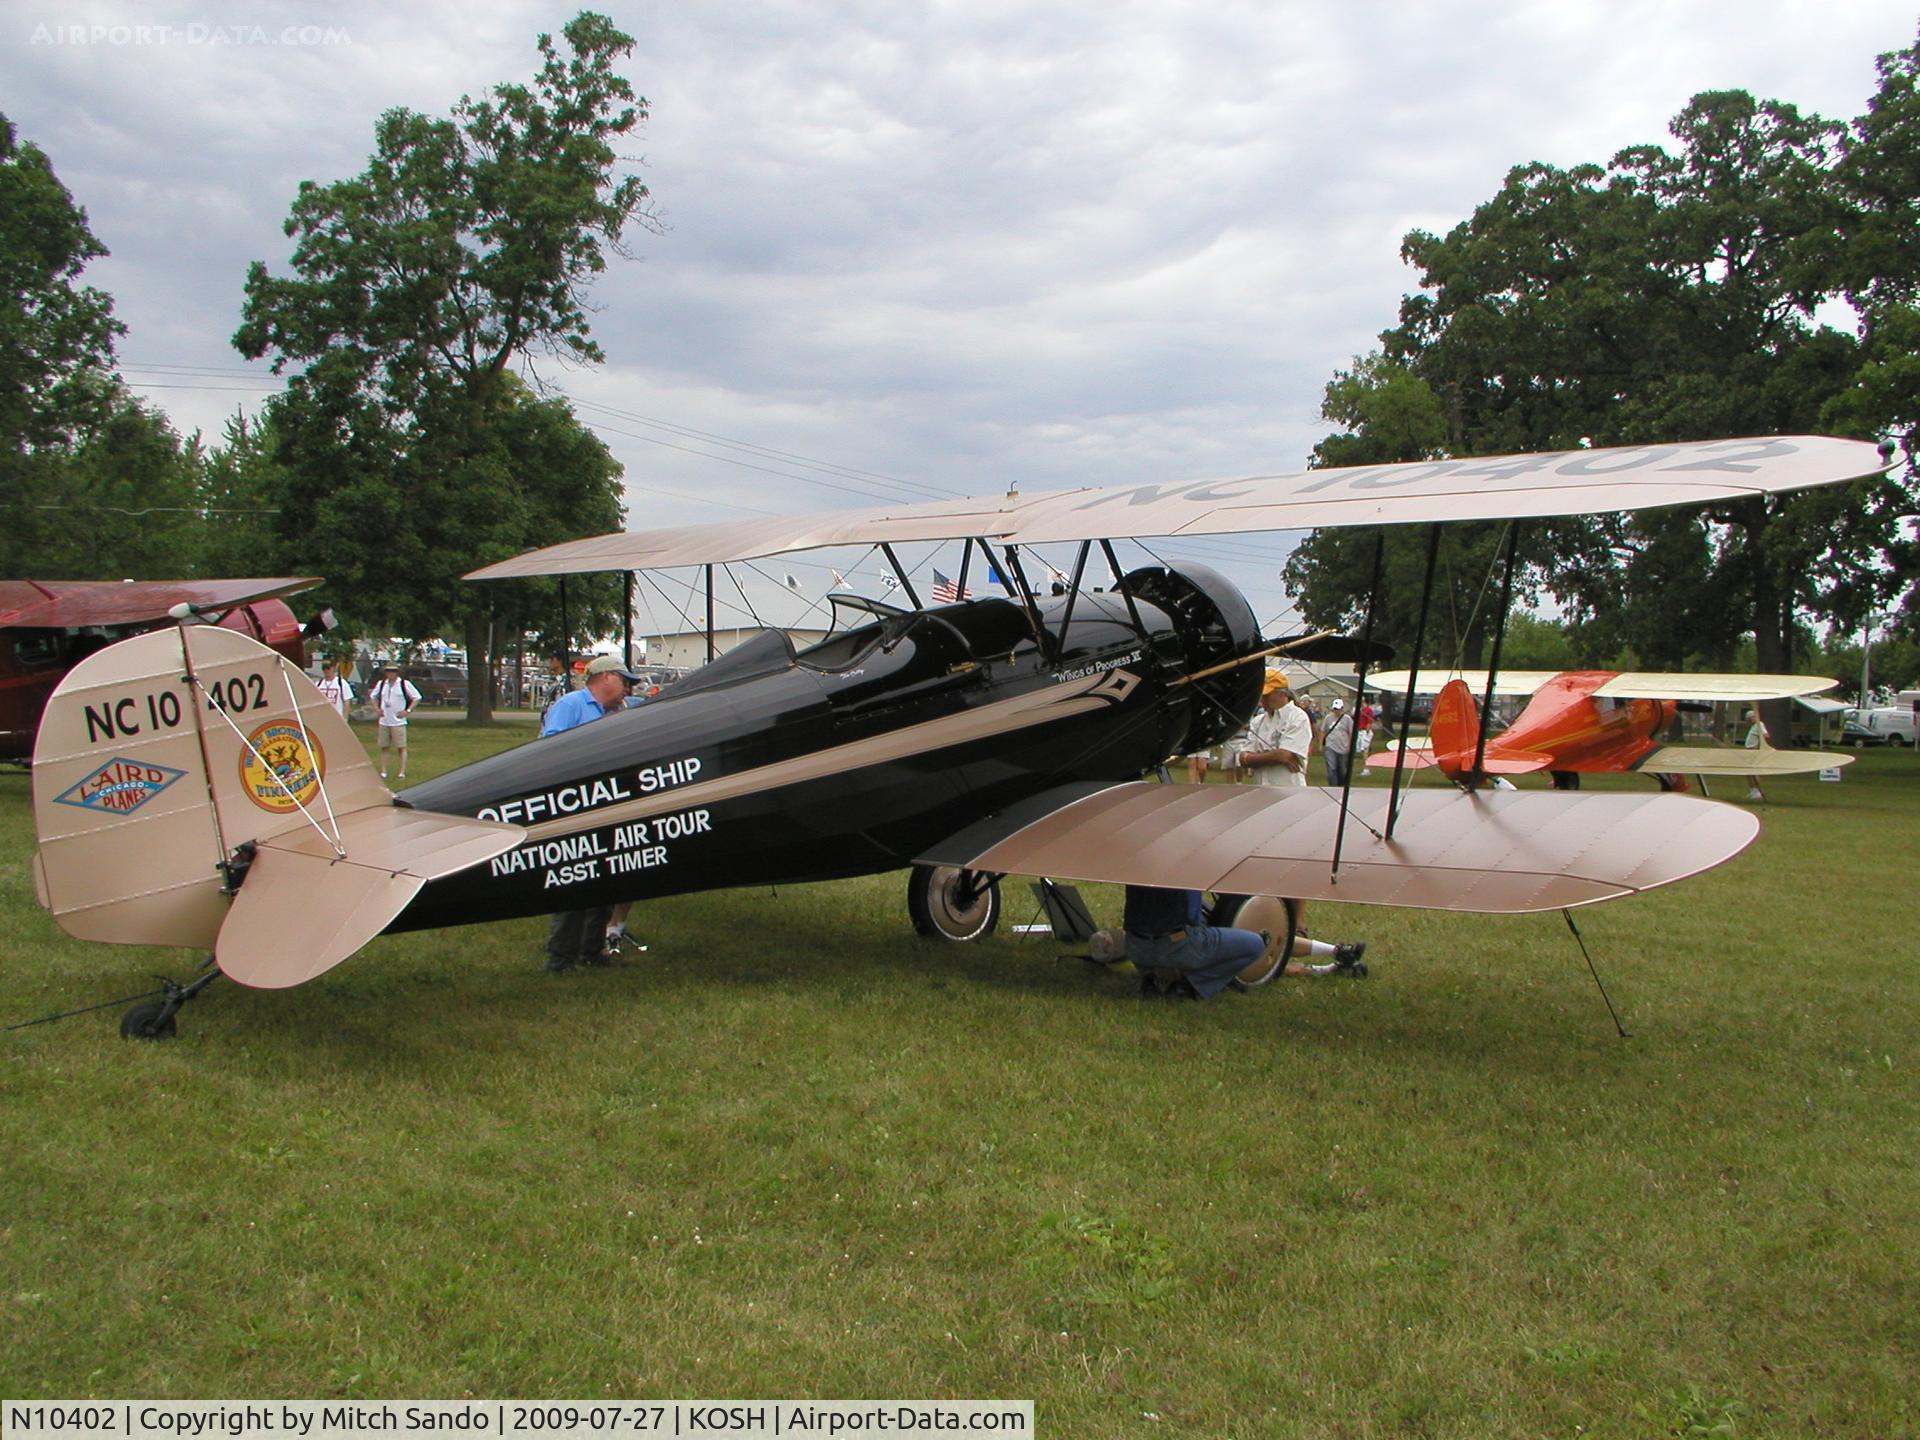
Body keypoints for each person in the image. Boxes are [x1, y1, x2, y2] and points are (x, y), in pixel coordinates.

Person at [539, 654, 642, 972]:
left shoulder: (618, 712)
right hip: (577, 805)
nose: (627, 689)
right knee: (574, 882)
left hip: (608, 805)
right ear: (606, 677)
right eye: (624, 681)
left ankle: (592, 950)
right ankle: (561, 957)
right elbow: (548, 747)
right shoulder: (572, 705)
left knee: (606, 880)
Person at [1123, 885, 1266, 1000]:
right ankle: (1188, 986)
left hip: (1136, 947)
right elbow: (1192, 916)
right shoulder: (1186, 865)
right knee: (1256, 943)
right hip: (1173, 946)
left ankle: (1153, 976)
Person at [1239, 672, 1312, 785]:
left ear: (1282, 694)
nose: (1262, 700)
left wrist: (1255, 758)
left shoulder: (1298, 717)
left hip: (1289, 791)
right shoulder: (1258, 721)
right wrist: (1275, 756)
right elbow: (1243, 759)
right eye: (1261, 696)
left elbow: (1285, 755)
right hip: (1261, 790)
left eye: (1267, 695)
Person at [369, 662, 421, 780]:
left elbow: (417, 697)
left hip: (398, 721)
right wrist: (377, 709)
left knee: (401, 747)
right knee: (384, 746)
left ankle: (401, 772)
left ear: (397, 672)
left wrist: (407, 710)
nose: (390, 673)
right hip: (384, 720)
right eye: (388, 671)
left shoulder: (404, 684)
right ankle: (383, 771)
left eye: (393, 671)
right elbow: (373, 696)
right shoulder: (382, 684)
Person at [1321, 697, 1356, 788]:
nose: (1336, 711)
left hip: (1343, 747)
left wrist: (1350, 745)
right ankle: (1333, 786)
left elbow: (1351, 732)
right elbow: (1323, 731)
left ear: (1342, 709)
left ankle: (1341, 785)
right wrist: (1321, 744)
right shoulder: (1328, 718)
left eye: (1338, 709)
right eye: (1335, 709)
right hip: (1330, 746)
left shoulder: (1347, 719)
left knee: (1343, 770)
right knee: (1331, 768)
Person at [1743, 707, 1767, 802]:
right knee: (1747, 772)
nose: (1748, 721)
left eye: (1749, 718)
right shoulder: (1753, 726)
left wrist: (1759, 746)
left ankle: (1758, 792)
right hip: (1748, 751)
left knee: (1753, 772)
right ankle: (1753, 790)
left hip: (1753, 751)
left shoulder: (1759, 724)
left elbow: (1765, 735)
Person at [1355, 700, 1376, 776]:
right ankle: (1366, 767)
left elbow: (1370, 721)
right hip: (1360, 731)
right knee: (1362, 750)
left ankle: (1367, 769)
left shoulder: (1368, 710)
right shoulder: (1361, 710)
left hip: (1365, 731)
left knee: (1365, 750)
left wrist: (1367, 730)